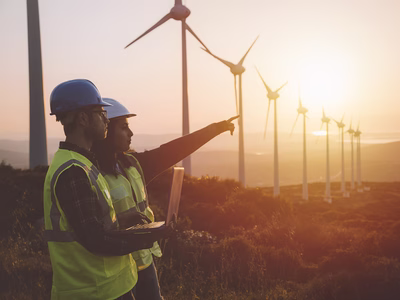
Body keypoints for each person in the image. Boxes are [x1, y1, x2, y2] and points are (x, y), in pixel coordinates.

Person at [91, 98, 238, 300]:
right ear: (107, 131)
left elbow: (175, 149)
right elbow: (96, 229)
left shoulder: (133, 164)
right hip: (117, 270)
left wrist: (216, 128)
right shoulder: (92, 174)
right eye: (124, 128)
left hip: (144, 261)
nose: (131, 133)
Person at [43, 80, 166, 300]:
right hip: (94, 291)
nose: (106, 119)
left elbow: (94, 225)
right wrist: (146, 237)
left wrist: (124, 220)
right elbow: (95, 239)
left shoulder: (83, 164)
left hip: (109, 287)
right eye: (100, 113)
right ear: (83, 119)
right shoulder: (73, 171)